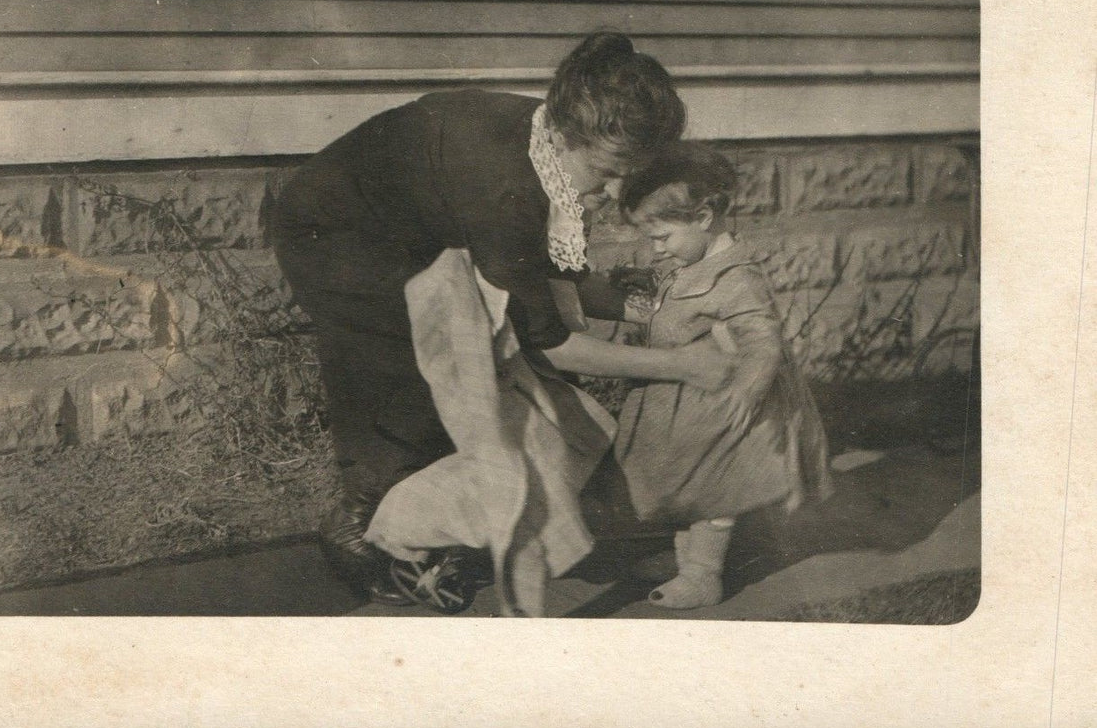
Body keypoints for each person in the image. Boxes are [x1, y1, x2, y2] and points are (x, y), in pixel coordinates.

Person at [269, 32, 734, 603]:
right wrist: (683, 366)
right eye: (609, 170)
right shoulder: (507, 188)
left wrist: (643, 306)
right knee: (412, 378)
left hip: (412, 229)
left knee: (485, 387)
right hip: (335, 234)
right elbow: (549, 341)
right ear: (565, 137)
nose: (618, 191)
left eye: (632, 172)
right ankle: (365, 538)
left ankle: (454, 519)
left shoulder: (545, 146)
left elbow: (552, 278)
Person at [614, 142, 833, 609]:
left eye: (663, 235)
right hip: (682, 404)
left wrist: (749, 388)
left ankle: (702, 574)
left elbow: (762, 340)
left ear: (705, 216)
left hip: (719, 407)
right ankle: (687, 565)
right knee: (684, 485)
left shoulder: (736, 277)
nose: (655, 247)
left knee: (714, 493)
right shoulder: (689, 263)